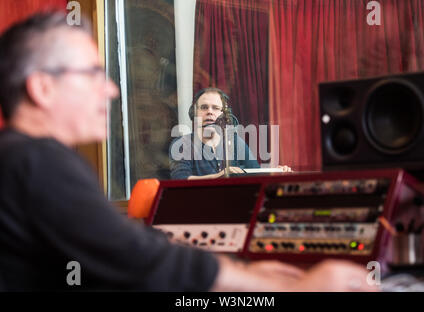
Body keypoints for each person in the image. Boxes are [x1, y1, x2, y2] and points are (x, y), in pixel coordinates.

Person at [0, 12, 376, 291]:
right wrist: (290, 288)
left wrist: (242, 272)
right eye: (92, 75)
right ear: (42, 88)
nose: (111, 91)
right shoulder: (37, 162)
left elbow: (129, 243)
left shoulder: (24, 158)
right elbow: (134, 254)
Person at [169, 88, 290, 180]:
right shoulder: (182, 144)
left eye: (215, 108)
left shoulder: (235, 142)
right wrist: (219, 176)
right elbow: (181, 179)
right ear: (193, 113)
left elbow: (255, 172)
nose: (210, 112)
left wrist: (275, 173)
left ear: (225, 114)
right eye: (204, 107)